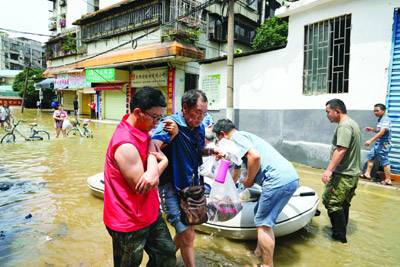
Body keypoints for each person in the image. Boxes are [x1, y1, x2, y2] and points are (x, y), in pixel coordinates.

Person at [103, 87, 176, 267]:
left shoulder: (142, 128)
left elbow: (153, 148)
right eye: (155, 117)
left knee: (166, 256)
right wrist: (161, 160)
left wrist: (160, 146)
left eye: (160, 117)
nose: (157, 122)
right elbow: (147, 183)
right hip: (127, 220)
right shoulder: (125, 144)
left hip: (150, 213)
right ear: (138, 112)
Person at [212, 119, 299, 267]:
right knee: (259, 211)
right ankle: (258, 252)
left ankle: (267, 264)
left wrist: (250, 180)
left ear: (223, 134)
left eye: (218, 139)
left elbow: (255, 156)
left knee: (263, 224)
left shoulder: (236, 138)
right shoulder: (245, 137)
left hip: (276, 181)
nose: (219, 142)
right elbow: (238, 168)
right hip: (290, 177)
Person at [152, 89, 222, 267]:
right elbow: (152, 149)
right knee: (188, 234)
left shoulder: (198, 128)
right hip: (171, 188)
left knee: (187, 230)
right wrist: (173, 135)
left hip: (192, 190)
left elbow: (197, 150)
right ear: (184, 108)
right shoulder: (169, 124)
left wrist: (210, 151)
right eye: (197, 112)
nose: (200, 118)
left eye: (203, 113)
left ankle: (161, 262)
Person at [323, 99, 361, 243]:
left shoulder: (344, 126)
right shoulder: (352, 123)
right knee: (343, 204)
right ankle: (341, 231)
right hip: (352, 174)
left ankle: (339, 238)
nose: (327, 115)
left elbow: (341, 150)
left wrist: (328, 170)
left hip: (344, 174)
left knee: (332, 203)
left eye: (328, 112)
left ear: (337, 111)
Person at [362, 103, 392, 185]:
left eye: (377, 111)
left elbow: (383, 132)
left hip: (384, 144)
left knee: (384, 160)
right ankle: (367, 174)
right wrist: (372, 129)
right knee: (371, 156)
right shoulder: (380, 119)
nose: (375, 112)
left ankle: (388, 179)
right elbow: (380, 130)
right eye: (374, 111)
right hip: (379, 143)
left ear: (383, 110)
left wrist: (370, 140)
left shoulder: (385, 119)